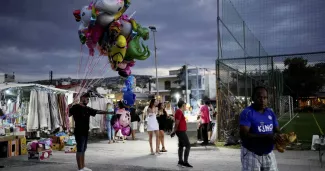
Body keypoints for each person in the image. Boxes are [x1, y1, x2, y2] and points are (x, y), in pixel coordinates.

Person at [239, 86, 283, 171]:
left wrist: (281, 136)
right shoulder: (247, 113)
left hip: (268, 154)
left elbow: (277, 129)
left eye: (265, 98)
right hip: (251, 154)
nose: (262, 100)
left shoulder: (270, 112)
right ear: (253, 98)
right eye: (259, 97)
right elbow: (244, 135)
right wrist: (266, 136)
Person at [69, 93, 114, 171]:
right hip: (79, 131)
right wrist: (69, 106)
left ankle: (83, 167)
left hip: (85, 131)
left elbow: (97, 111)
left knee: (83, 149)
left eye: (88, 99)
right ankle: (80, 168)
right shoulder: (75, 107)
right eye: (86, 98)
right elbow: (68, 114)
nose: (88, 100)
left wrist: (109, 112)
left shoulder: (87, 108)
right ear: (82, 98)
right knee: (80, 149)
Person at [171, 100, 193, 168]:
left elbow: (177, 121)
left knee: (181, 145)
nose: (185, 106)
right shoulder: (179, 112)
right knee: (188, 145)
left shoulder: (179, 112)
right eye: (185, 105)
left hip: (181, 131)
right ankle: (185, 162)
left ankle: (180, 161)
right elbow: (177, 122)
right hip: (180, 131)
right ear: (183, 105)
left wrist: (174, 131)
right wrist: (174, 131)